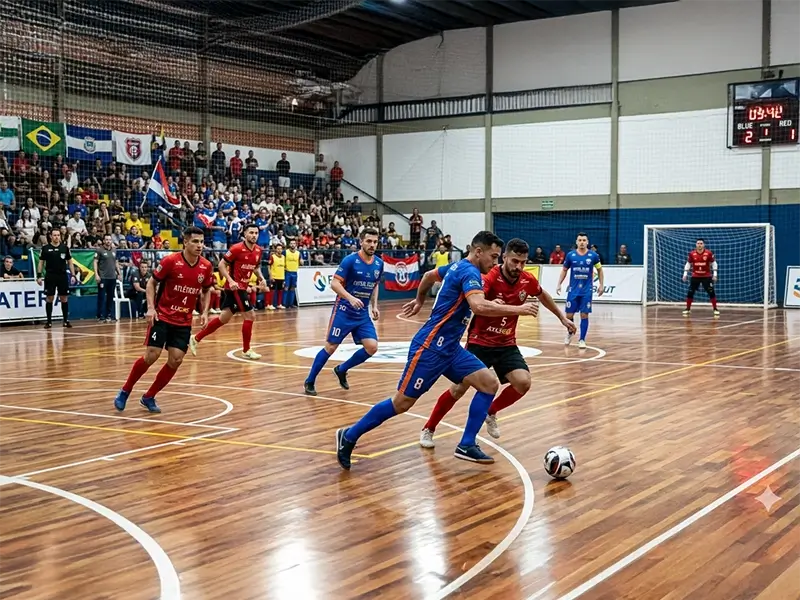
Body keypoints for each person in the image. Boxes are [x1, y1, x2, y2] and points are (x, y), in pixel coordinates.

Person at [334, 231, 539, 470]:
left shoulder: (456, 266)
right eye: (493, 257)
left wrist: (420, 300)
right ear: (478, 252)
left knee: (489, 383)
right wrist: (519, 309)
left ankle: (466, 443)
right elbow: (478, 306)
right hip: (430, 347)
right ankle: (349, 435)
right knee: (401, 403)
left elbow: (429, 276)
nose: (495, 263)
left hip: (450, 348)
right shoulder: (469, 272)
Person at [419, 238, 576, 447]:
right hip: (480, 342)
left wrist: (562, 317)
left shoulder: (526, 280)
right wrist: (492, 302)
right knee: (458, 389)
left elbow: (542, 294)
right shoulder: (490, 276)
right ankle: (429, 428)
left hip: (506, 343)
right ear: (504, 257)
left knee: (523, 382)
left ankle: (491, 411)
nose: (518, 267)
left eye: (523, 262)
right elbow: (477, 302)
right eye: (514, 261)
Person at [113, 227, 213, 414]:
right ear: (185, 242)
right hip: (163, 316)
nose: (199, 245)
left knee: (176, 360)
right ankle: (125, 390)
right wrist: (151, 308)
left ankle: (149, 396)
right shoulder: (170, 261)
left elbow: (207, 290)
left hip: (184, 320)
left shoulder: (206, 266)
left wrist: (205, 312)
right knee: (152, 355)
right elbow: (152, 283)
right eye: (195, 241)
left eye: (201, 242)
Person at [304, 228, 383, 396]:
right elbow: (334, 284)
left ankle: (341, 369)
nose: (372, 245)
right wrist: (350, 298)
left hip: (362, 314)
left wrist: (374, 306)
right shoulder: (350, 260)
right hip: (344, 311)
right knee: (331, 347)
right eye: (369, 241)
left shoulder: (379, 263)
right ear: (361, 242)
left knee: (372, 347)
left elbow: (375, 285)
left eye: (375, 242)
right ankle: (310, 380)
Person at [189, 223, 267, 359]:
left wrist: (261, 278)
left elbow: (255, 267)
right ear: (245, 234)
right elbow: (221, 265)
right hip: (235, 288)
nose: (254, 235)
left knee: (223, 318)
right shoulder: (236, 248)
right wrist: (230, 280)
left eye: (256, 233)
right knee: (250, 316)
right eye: (251, 233)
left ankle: (195, 338)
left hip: (242, 287)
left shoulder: (259, 250)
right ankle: (246, 350)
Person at [556, 233, 604, 349]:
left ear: (587, 242)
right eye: (580, 240)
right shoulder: (570, 255)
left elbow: (600, 270)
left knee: (584, 314)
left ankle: (582, 339)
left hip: (586, 291)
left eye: (584, 240)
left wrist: (601, 285)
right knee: (569, 315)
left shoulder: (593, 256)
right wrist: (559, 284)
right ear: (576, 242)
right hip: (573, 290)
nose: (582, 242)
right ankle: (570, 332)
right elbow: (564, 270)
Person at [36, 229, 77, 329]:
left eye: (58, 235)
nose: (56, 237)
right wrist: (39, 276)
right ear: (51, 236)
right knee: (49, 298)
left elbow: (70, 262)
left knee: (64, 298)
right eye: (54, 235)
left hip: (62, 275)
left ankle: (66, 320)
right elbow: (41, 263)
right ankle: (49, 321)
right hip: (50, 275)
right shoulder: (45, 248)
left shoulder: (65, 248)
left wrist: (73, 275)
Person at [683, 238, 719, 317]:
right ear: (696, 244)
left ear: (704, 245)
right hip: (695, 276)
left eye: (701, 243)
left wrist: (715, 274)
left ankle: (715, 309)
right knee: (690, 292)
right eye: (698, 243)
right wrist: (685, 274)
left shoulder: (708, 253)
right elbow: (688, 264)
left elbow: (714, 263)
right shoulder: (692, 253)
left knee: (711, 292)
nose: (699, 245)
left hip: (706, 276)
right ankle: (688, 309)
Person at [94, 234, 121, 322]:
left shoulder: (114, 250)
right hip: (103, 277)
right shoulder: (99, 250)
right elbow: (95, 262)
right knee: (101, 297)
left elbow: (116, 262)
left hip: (112, 277)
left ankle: (109, 315)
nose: (108, 241)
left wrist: (119, 273)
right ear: (103, 241)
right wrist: (96, 274)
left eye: (109, 239)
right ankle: (100, 315)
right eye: (106, 239)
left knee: (110, 297)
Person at [284, 240, 301, 308]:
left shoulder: (298, 253)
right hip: (287, 272)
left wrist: (302, 261)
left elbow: (301, 261)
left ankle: (291, 304)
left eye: (294, 243)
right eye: (291, 243)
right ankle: (284, 304)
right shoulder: (285, 252)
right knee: (286, 287)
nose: (292, 245)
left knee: (293, 288)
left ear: (296, 245)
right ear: (289, 244)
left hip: (295, 272)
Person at [268, 243, 286, 309]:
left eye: (280, 249)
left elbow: (284, 267)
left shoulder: (284, 257)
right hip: (274, 277)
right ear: (275, 249)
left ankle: (279, 304)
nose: (279, 250)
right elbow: (268, 266)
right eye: (278, 249)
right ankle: (270, 305)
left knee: (280, 291)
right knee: (272, 291)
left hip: (281, 277)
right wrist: (270, 275)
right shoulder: (272, 256)